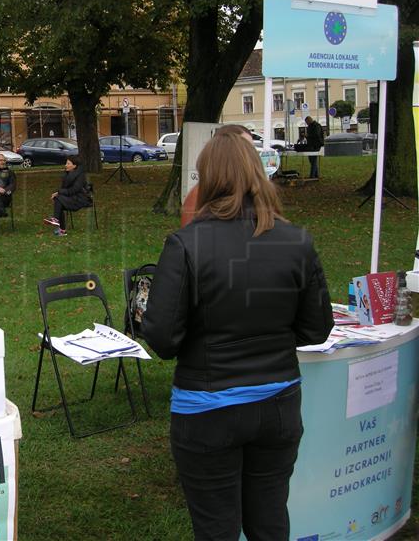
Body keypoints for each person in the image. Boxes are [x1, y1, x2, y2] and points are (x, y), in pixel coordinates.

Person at [140, 129, 334, 540]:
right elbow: (316, 327)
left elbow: (161, 337)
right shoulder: (295, 241)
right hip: (277, 407)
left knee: (217, 527)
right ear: (257, 173)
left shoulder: (187, 244)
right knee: (269, 520)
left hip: (209, 411)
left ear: (207, 178)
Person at [180, 125, 254, 228]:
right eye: (245, 148)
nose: (251, 155)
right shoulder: (199, 193)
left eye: (252, 149)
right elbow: (189, 238)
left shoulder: (256, 191)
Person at [43, 155, 92, 237]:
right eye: (66, 163)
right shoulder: (67, 174)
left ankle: (58, 224)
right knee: (58, 200)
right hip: (71, 198)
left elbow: (74, 190)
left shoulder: (80, 176)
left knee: (59, 199)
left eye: (68, 163)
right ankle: (61, 229)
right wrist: (58, 193)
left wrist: (59, 192)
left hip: (81, 199)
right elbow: (64, 189)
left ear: (74, 166)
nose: (66, 165)